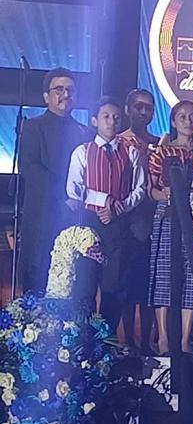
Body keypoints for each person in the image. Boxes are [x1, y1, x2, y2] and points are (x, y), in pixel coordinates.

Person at [65, 97, 146, 331]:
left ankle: (106, 339)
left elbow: (139, 189)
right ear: (94, 121)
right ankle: (81, 337)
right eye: (106, 116)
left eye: (116, 117)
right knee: (85, 283)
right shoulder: (82, 151)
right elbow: (74, 190)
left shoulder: (131, 152)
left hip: (118, 225)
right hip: (89, 225)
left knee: (115, 285)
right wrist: (105, 200)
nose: (112, 121)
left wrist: (119, 207)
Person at [148, 101, 193, 355]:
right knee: (164, 274)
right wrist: (166, 195)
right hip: (168, 215)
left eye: (192, 117)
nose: (188, 122)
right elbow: (151, 189)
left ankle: (185, 339)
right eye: (183, 117)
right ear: (173, 121)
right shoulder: (162, 153)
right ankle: (163, 339)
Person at [19, 67, 89, 293]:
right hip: (42, 216)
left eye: (70, 90)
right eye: (59, 89)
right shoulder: (33, 127)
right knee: (37, 284)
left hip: (75, 216)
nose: (65, 94)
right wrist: (64, 195)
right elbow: (31, 169)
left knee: (73, 284)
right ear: (46, 96)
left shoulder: (84, 132)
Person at [119, 89, 158, 353]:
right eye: (138, 107)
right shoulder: (117, 141)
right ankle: (126, 341)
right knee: (126, 284)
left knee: (149, 286)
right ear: (127, 109)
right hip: (124, 221)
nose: (143, 112)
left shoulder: (159, 143)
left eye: (148, 107)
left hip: (153, 219)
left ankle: (147, 341)